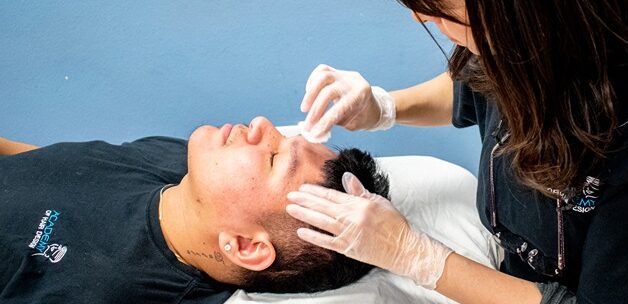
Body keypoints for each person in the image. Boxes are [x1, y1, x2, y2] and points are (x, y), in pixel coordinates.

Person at [286, 0, 628, 303]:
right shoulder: (523, 43)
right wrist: (383, 107)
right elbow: (475, 84)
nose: (420, 19)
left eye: (442, 12)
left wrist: (418, 257)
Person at [0, 116, 390, 303]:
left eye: (272, 158)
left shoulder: (102, 292)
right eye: (284, 138)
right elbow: (57, 168)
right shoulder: (180, 170)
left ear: (245, 246)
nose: (262, 124)